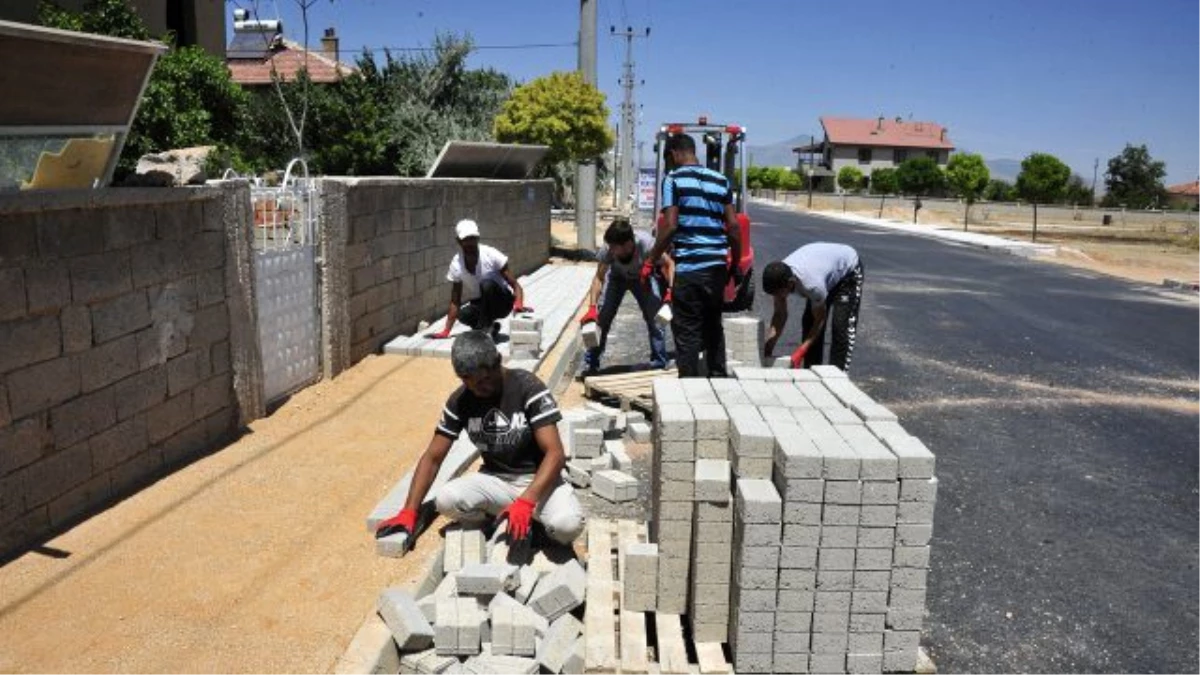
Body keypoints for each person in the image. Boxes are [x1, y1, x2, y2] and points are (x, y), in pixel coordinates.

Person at [375, 331, 584, 546]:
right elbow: (433, 458)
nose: (477, 388)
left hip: (540, 481)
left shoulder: (527, 388)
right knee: (447, 500)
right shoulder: (461, 401)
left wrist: (527, 501)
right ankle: (494, 520)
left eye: (483, 380)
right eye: (468, 381)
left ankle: (533, 522)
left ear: (497, 363)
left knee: (567, 526)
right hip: (496, 481)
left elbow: (555, 454)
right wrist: (409, 511)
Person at [642, 133, 742, 378]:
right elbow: (734, 227)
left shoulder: (672, 179)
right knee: (713, 327)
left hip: (689, 269)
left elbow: (670, 226)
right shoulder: (721, 180)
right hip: (717, 267)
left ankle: (689, 389)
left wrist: (650, 259)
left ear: (675, 153)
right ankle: (718, 379)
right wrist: (735, 264)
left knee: (687, 332)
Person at [580, 217, 674, 374]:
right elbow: (598, 277)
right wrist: (592, 308)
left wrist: (670, 291)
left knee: (656, 318)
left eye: (614, 247)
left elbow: (670, 263)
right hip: (617, 279)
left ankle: (658, 361)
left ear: (628, 244)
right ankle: (592, 363)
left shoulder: (646, 244)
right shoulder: (608, 250)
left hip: (642, 278)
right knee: (602, 318)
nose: (610, 250)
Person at [761, 242, 864, 371]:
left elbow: (820, 320)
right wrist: (768, 348)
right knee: (809, 323)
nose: (778, 297)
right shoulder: (779, 276)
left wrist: (800, 351)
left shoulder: (812, 285)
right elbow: (780, 315)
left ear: (790, 283)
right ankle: (811, 372)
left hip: (848, 273)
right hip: (822, 270)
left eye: (779, 294)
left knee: (840, 327)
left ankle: (838, 376)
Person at [430, 219, 532, 339]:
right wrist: (446, 331)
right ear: (459, 241)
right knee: (463, 314)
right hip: (481, 303)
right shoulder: (456, 264)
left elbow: (515, 285)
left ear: (477, 238)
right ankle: (490, 328)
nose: (470, 243)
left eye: (472, 239)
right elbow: (455, 301)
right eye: (466, 240)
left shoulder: (491, 254)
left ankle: (484, 330)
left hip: (501, 302)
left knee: (486, 284)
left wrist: (518, 304)